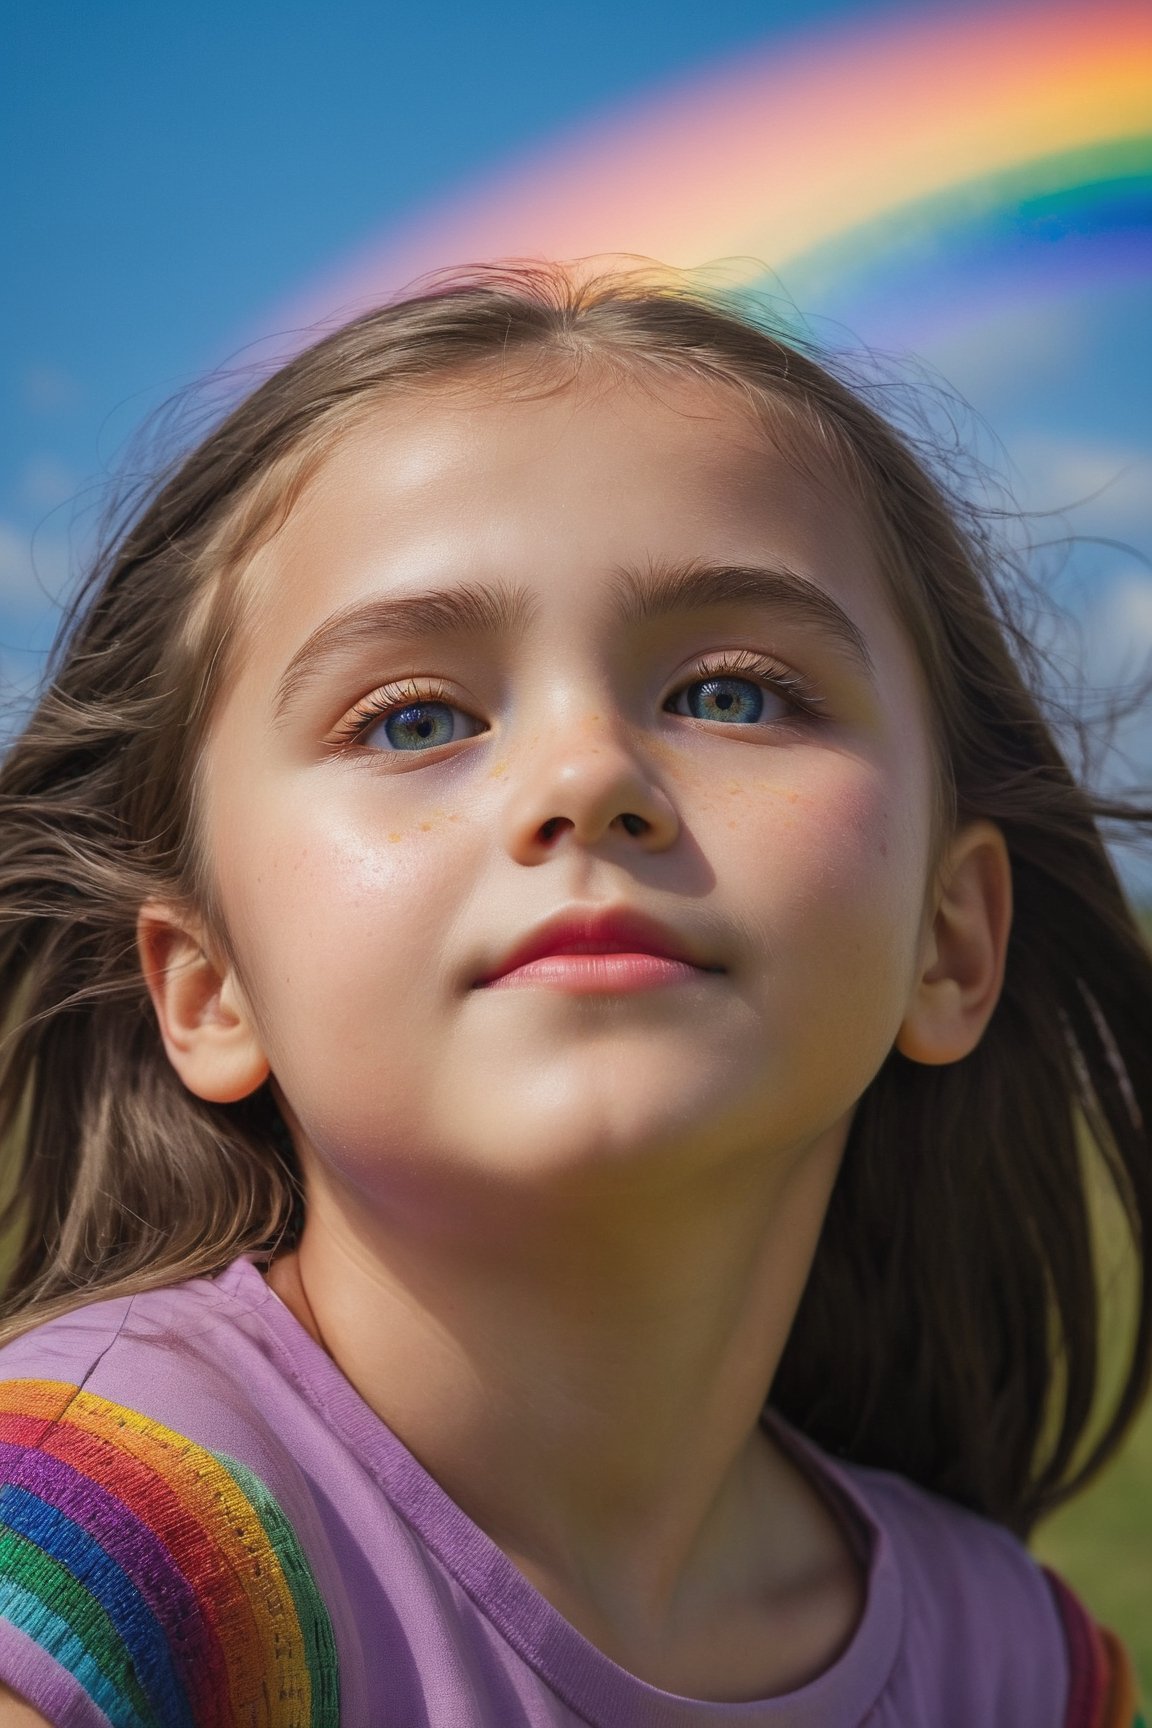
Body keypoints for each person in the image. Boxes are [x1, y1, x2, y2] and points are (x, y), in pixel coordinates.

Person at [0, 264, 1147, 1728]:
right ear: (209, 987)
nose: (587, 775)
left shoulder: (1027, 1672)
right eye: (415, 717)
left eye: (731, 693)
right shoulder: (98, 1552)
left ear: (952, 944)